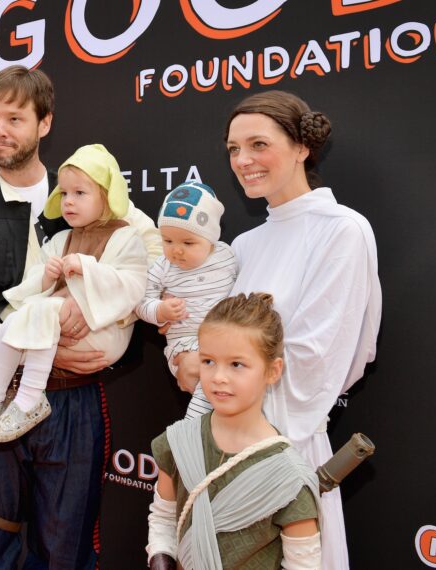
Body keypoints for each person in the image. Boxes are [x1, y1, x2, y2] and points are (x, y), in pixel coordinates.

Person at [0, 66, 161, 569]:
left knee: (67, 550)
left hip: (73, 400)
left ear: (44, 123)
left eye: (15, 118)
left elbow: (149, 268)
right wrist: (31, 348)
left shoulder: (87, 191)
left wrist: (101, 315)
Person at [174, 90, 381, 569]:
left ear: (302, 147)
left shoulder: (342, 230)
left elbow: (317, 362)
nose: (243, 160)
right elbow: (205, 344)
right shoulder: (245, 244)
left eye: (258, 145)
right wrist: (186, 358)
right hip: (216, 451)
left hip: (282, 455)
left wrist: (218, 387)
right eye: (234, 149)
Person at [0, 144, 148, 448]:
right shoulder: (60, 239)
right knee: (13, 321)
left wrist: (86, 267)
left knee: (42, 311)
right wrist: (46, 276)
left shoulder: (127, 236)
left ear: (107, 197)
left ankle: (29, 400)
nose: (68, 201)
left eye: (79, 193)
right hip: (60, 334)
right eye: (64, 193)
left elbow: (134, 284)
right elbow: (32, 288)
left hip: (102, 336)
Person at [146, 293, 321, 570]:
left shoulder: (288, 478)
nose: (218, 377)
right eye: (208, 361)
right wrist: (160, 559)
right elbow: (164, 519)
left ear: (273, 370)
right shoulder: (179, 442)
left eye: (236, 364)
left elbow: (304, 565)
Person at [134, 181, 237, 419]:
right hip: (184, 343)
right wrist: (160, 311)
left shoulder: (227, 256)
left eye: (188, 243)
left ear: (211, 238)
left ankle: (203, 430)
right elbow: (140, 302)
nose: (176, 250)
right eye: (167, 241)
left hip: (224, 341)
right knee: (207, 382)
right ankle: (194, 427)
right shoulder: (162, 266)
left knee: (219, 387)